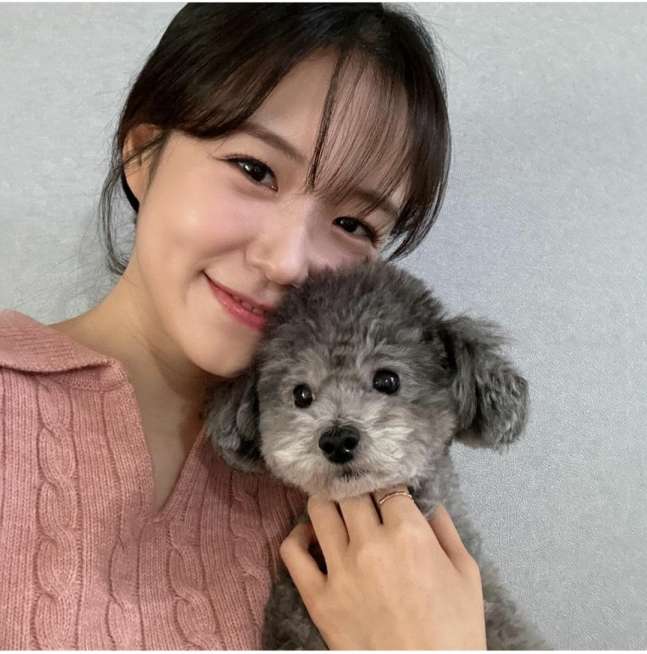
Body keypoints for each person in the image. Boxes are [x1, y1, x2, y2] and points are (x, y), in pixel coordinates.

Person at [0, 3, 486, 649]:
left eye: (352, 225)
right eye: (254, 170)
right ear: (142, 154)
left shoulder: (363, 467)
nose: (286, 261)